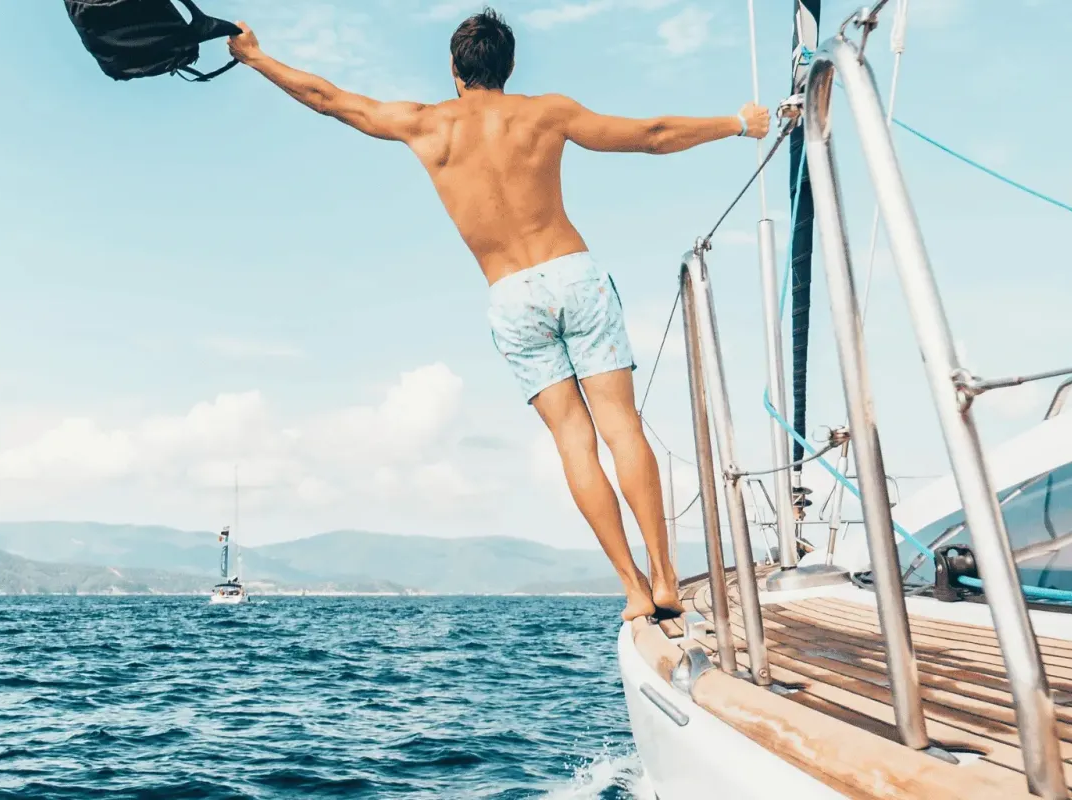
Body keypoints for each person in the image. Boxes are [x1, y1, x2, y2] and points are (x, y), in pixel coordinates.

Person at [227, 9, 770, 621]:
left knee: (574, 440)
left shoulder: (425, 125)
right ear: (508, 68)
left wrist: (255, 57)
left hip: (511, 294)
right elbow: (652, 133)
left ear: (455, 71)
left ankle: (634, 590)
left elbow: (327, 98)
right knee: (622, 426)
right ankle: (667, 577)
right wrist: (736, 123)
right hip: (573, 273)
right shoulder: (546, 113)